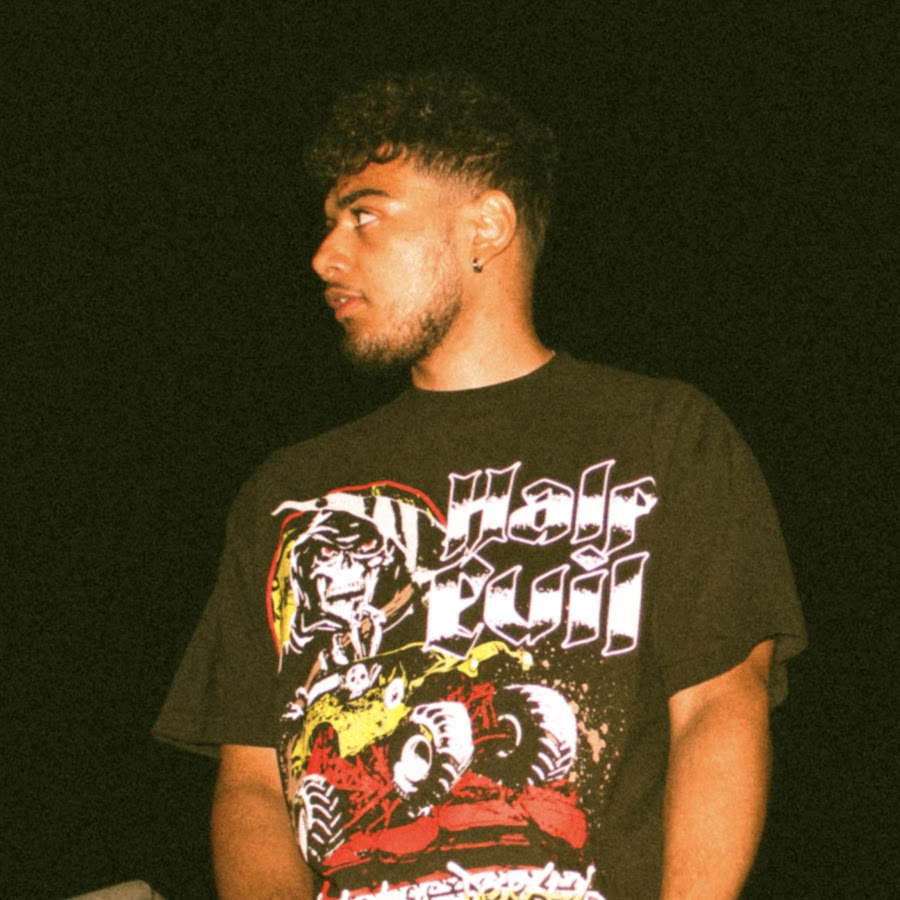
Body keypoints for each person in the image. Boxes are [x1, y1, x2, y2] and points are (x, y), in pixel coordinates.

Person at [154, 70, 806, 900]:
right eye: (328, 224)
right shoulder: (288, 493)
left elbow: (719, 705)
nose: (325, 256)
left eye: (364, 215)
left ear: (486, 227)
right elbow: (253, 780)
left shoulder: (662, 434)